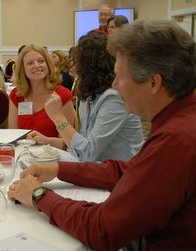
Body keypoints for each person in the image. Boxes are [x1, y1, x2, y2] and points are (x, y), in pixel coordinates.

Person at [8, 19, 196, 251]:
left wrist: (39, 195)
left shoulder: (177, 140)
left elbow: (102, 230)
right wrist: (59, 169)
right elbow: (129, 170)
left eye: (120, 77)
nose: (114, 86)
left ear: (154, 82)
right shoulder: (189, 118)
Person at [28, 32, 143, 162]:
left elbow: (87, 154)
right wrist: (48, 141)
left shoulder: (114, 98)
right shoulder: (88, 95)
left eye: (76, 61)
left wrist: (57, 117)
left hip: (124, 174)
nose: (72, 66)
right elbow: (81, 143)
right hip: (100, 168)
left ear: (89, 66)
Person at [8, 44, 76, 138]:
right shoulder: (17, 95)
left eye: (41, 61)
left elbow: (67, 143)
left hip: (54, 152)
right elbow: (13, 135)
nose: (37, 66)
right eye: (30, 63)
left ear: (48, 65)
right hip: (24, 151)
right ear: (23, 69)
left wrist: (45, 140)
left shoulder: (62, 95)